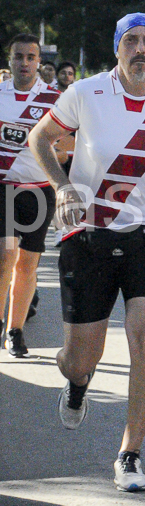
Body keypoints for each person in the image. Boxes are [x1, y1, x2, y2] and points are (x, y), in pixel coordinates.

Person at [28, 12, 145, 492]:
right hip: (88, 236)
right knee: (79, 358)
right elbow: (39, 138)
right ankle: (77, 383)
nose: (140, 49)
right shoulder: (85, 93)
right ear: (117, 48)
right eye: (131, 41)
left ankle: (129, 454)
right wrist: (63, 187)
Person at [0, 34, 60, 357]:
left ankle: (16, 330)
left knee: (27, 264)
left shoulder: (54, 99)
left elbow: (71, 144)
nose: (24, 63)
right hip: (4, 188)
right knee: (5, 256)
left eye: (30, 57)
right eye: (18, 56)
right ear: (9, 60)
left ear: (38, 61)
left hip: (38, 191)